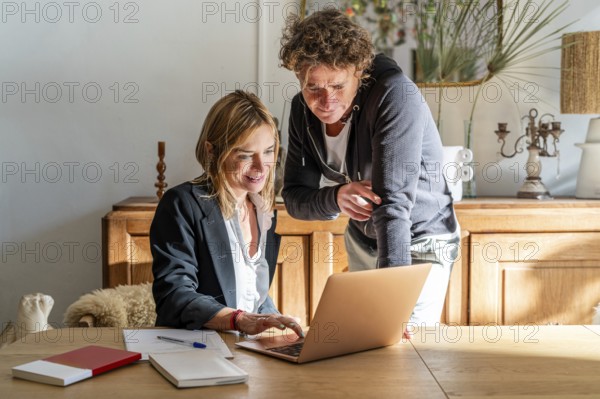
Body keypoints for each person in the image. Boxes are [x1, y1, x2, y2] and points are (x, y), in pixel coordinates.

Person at [279, 8, 460, 326]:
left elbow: (392, 206)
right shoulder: (300, 111)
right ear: (298, 77)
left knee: (400, 345)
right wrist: (335, 198)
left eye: (337, 86)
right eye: (313, 88)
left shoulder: (394, 95)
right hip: (363, 239)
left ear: (358, 72)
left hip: (419, 239)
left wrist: (394, 306)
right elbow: (295, 197)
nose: (326, 100)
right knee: (365, 347)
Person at [150, 90, 303, 338]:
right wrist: (239, 320)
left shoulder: (265, 211)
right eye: (245, 155)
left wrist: (277, 322)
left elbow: (252, 293)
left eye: (268, 151)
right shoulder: (181, 204)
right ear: (212, 151)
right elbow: (174, 296)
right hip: (196, 350)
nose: (261, 166)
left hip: (247, 350)